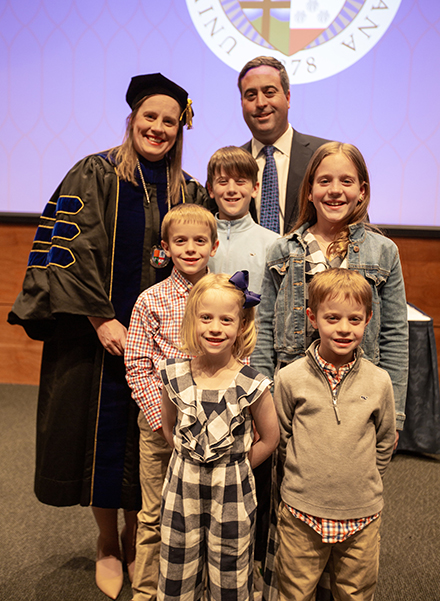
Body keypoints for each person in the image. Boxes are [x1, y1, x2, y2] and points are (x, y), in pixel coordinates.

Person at [8, 72, 207, 599]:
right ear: (132, 119)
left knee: (153, 443)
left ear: (179, 128)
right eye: (150, 118)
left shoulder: (188, 189)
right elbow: (66, 249)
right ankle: (106, 543)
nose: (158, 128)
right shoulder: (93, 173)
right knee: (101, 440)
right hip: (98, 337)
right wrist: (101, 317)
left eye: (169, 121)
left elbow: (211, 249)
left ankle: (136, 534)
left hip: (168, 343)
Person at [252, 141, 408, 431]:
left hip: (360, 396)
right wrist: (265, 403)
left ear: (361, 191)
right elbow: (263, 332)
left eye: (346, 181)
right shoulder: (282, 251)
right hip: (295, 398)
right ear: (310, 191)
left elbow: (395, 336)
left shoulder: (384, 252)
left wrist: (394, 413)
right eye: (325, 181)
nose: (335, 190)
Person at [274, 268, 396, 600]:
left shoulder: (379, 381)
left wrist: (364, 477)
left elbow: (385, 441)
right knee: (294, 591)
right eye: (332, 318)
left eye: (354, 320)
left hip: (362, 513)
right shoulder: (289, 378)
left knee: (355, 591)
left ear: (368, 319)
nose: (344, 329)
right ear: (313, 318)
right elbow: (282, 439)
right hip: (302, 512)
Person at [157, 271, 280, 601]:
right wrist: (191, 459)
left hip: (232, 493)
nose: (215, 327)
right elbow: (168, 428)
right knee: (176, 562)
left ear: (241, 326)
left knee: (230, 567)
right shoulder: (174, 375)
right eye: (206, 318)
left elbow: (270, 438)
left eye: (226, 320)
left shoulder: (252, 383)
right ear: (192, 321)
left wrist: (236, 465)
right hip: (182, 489)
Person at [125, 203, 218, 601]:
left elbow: (243, 354)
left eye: (200, 240)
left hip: (216, 427)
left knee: (206, 515)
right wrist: (160, 420)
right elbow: (136, 364)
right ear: (165, 247)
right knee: (154, 513)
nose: (191, 248)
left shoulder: (229, 295)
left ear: (214, 246)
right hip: (162, 426)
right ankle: (146, 592)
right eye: (181, 241)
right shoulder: (151, 300)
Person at [238, 56, 329, 234]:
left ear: (287, 98)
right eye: (251, 95)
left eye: (270, 92)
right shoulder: (228, 166)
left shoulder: (324, 156)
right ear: (242, 103)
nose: (261, 103)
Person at [207, 145, 279, 293]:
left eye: (240, 181)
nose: (232, 189)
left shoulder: (273, 244)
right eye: (222, 182)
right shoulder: (198, 239)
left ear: (255, 188)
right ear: (210, 189)